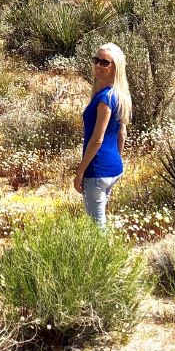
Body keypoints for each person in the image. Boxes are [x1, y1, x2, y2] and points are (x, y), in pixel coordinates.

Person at [74, 42, 131, 227]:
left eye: (105, 62)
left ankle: (107, 256)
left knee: (96, 227)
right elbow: (122, 134)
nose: (98, 65)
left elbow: (97, 140)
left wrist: (80, 171)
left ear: (116, 67)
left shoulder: (105, 99)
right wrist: (115, 159)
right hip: (113, 168)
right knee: (99, 220)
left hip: (96, 171)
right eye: (96, 60)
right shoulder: (119, 95)